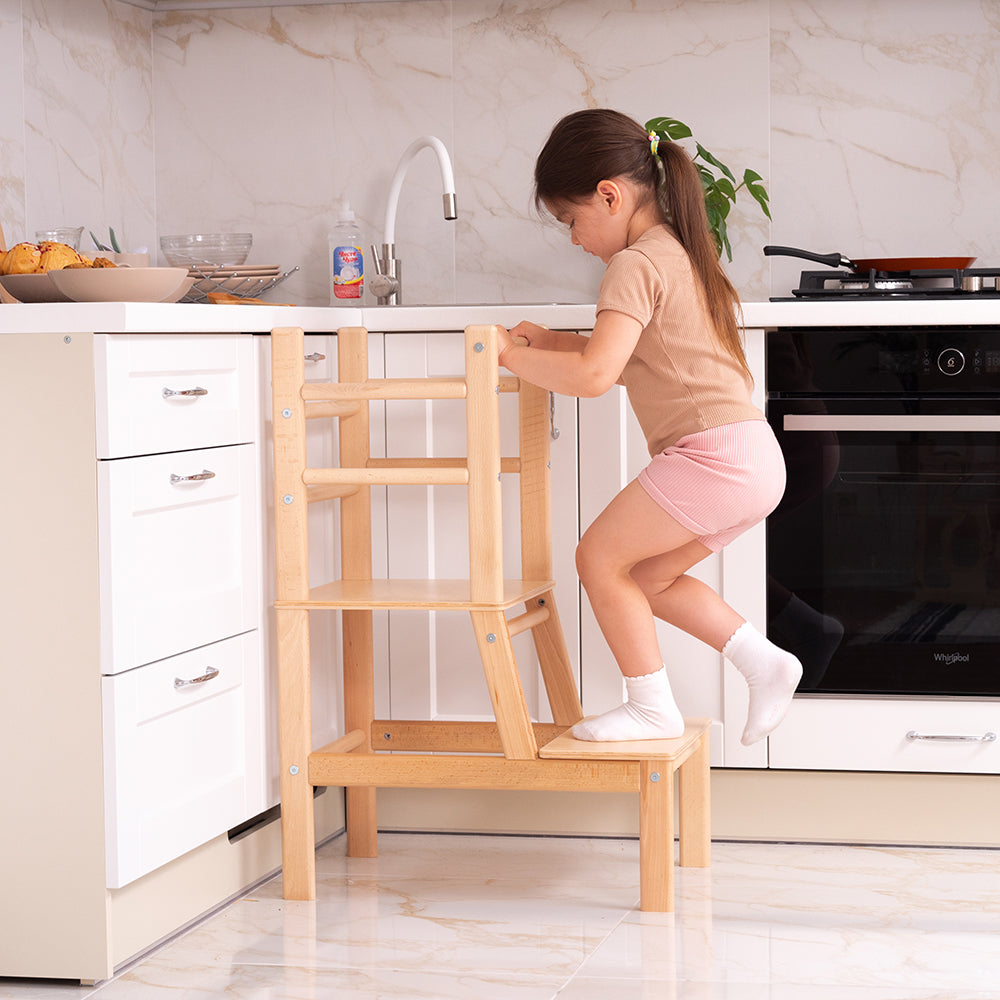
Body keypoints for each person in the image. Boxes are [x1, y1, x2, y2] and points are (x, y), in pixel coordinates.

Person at [495, 109, 802, 745]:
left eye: (570, 220)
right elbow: (638, 357)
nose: (574, 238)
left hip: (714, 458)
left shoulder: (633, 264)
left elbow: (596, 376)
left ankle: (650, 707)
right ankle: (763, 662)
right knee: (644, 577)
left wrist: (506, 356)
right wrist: (547, 338)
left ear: (609, 194)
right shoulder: (679, 252)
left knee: (596, 558)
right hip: (751, 458)